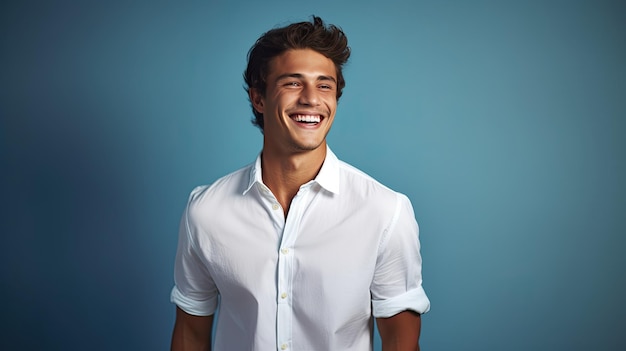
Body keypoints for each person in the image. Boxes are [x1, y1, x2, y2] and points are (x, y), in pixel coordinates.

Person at [170, 15, 430, 351]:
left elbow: (401, 341)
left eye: (324, 85)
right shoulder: (206, 211)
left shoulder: (385, 211)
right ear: (259, 99)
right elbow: (190, 334)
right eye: (293, 83)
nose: (311, 98)